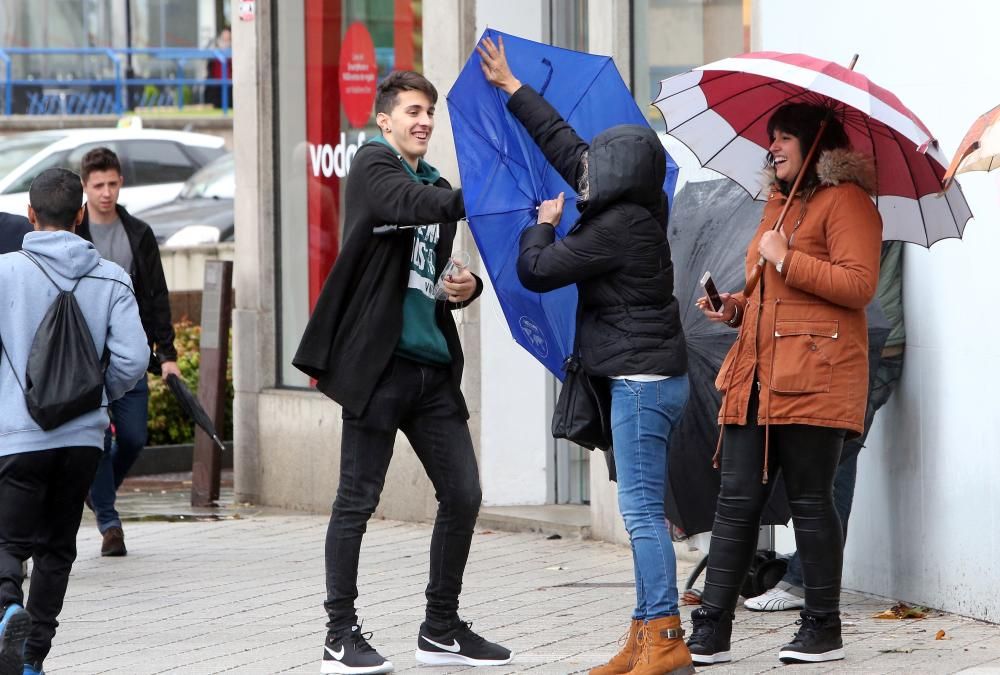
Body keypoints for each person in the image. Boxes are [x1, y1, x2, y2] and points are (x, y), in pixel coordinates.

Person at [479, 37, 692, 675]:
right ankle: (642, 633)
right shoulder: (629, 206)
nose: (583, 176)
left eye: (597, 171)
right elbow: (567, 145)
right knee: (643, 511)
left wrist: (541, 223)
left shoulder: (617, 228)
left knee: (644, 516)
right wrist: (514, 89)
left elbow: (538, 270)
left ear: (619, 177)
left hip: (641, 384)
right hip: (643, 380)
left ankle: (665, 637)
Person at [292, 70, 510, 674]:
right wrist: (482, 194)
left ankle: (440, 628)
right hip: (379, 368)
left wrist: (464, 289)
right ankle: (339, 634)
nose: (423, 122)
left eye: (429, 114)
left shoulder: (433, 181)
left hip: (431, 369)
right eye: (412, 111)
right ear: (384, 119)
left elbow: (431, 274)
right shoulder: (373, 167)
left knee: (464, 493)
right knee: (357, 500)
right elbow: (408, 204)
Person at [689, 102, 882, 665]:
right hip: (755, 377)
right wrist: (736, 306)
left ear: (814, 146)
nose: (771, 147)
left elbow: (858, 284)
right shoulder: (778, 206)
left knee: (810, 503)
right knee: (736, 502)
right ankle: (712, 627)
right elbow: (772, 291)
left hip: (816, 379)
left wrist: (788, 256)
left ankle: (822, 627)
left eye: (783, 138)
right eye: (770, 138)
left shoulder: (848, 202)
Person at [0, 168, 148, 675]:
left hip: (16, 436)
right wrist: (95, 396)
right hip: (83, 439)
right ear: (81, 215)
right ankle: (32, 656)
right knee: (57, 548)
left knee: (7, 541)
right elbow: (132, 358)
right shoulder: (111, 276)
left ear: (30, 216)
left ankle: (6, 609)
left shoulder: (3, 273)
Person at [744, 241, 905, 612]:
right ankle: (806, 576)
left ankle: (806, 582)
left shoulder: (857, 207)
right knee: (829, 464)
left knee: (833, 464)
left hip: (871, 346)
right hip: (859, 342)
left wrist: (786, 255)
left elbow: (846, 281)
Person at [76, 147, 181, 557]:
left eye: (113, 184)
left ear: (121, 183)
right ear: (85, 187)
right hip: (84, 357)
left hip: (129, 351)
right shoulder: (72, 233)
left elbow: (157, 296)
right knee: (99, 440)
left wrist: (167, 353)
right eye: (98, 185)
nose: (106, 192)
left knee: (134, 437)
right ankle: (109, 522)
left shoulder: (137, 233)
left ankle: (98, 495)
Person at [204, 26, 233, 110]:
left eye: (228, 38)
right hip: (216, 85)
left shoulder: (233, 52)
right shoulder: (214, 51)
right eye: (224, 38)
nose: (226, 41)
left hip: (229, 83)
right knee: (217, 106)